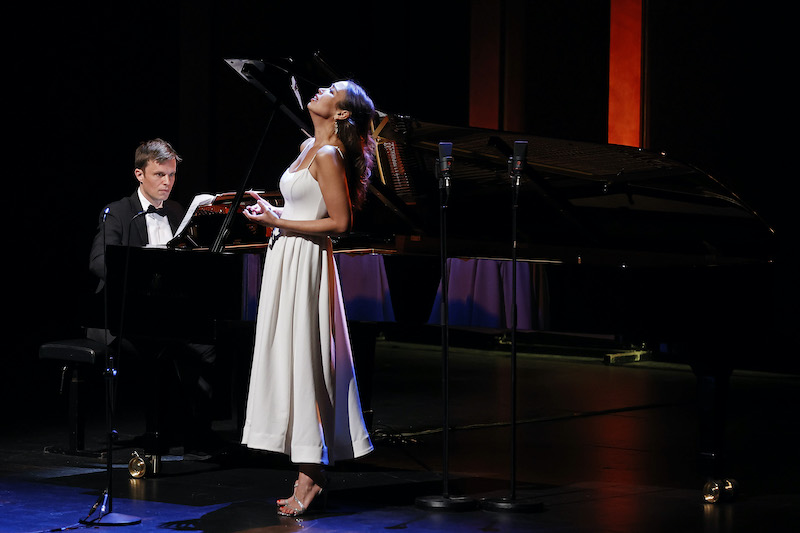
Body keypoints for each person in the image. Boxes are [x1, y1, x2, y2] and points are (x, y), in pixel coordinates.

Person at [241, 80, 376, 517]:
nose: (319, 89)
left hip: (307, 262)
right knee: (287, 358)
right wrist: (273, 216)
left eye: (331, 89)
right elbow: (304, 210)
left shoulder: (329, 155)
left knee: (305, 359)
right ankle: (306, 464)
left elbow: (339, 223)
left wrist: (284, 223)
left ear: (341, 113)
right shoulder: (306, 145)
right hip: (286, 255)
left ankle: (311, 473)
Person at [88, 138, 217, 456]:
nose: (168, 182)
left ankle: (197, 432)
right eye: (160, 174)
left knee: (210, 346)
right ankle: (157, 431)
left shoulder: (176, 211)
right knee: (158, 347)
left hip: (167, 315)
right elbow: (98, 261)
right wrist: (142, 275)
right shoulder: (117, 212)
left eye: (172, 175)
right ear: (139, 174)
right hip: (120, 316)